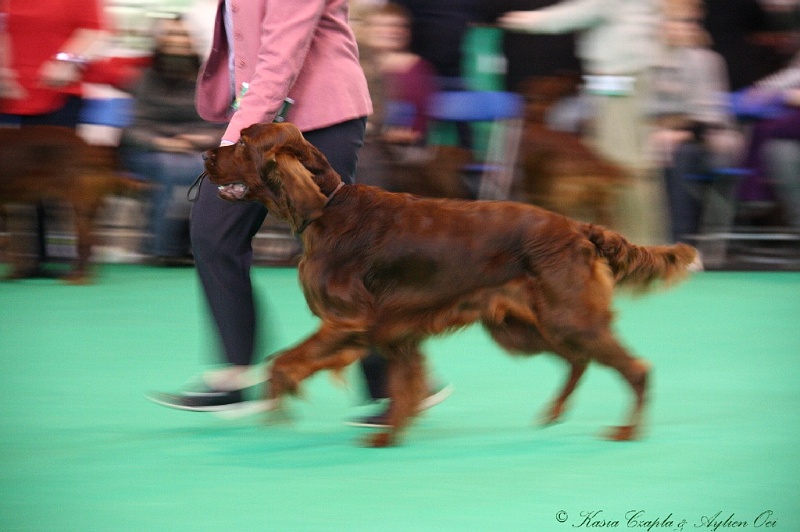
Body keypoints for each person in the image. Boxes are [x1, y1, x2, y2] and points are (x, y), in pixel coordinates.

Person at [146, 0, 372, 414]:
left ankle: (392, 379)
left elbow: (281, 55)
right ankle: (238, 374)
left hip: (320, 120)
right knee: (213, 231)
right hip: (262, 122)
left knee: (337, 252)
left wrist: (235, 141)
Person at [347, 3, 453, 427]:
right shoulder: (358, 57)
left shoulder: (360, 62)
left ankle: (402, 385)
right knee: (360, 288)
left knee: (361, 287)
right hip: (354, 173)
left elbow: (369, 121)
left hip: (362, 172)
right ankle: (401, 384)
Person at [497, 0, 667, 245]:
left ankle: (639, 245)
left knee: (619, 164)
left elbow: (589, 8)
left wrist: (529, 20)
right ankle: (617, 243)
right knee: (613, 161)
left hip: (620, 76)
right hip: (617, 76)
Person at [0, 0, 108, 276]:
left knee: (65, 186)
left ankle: (76, 257)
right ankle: (29, 259)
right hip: (12, 95)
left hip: (60, 92)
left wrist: (65, 62)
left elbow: (95, 32)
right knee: (15, 187)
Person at [119, 15, 224, 265]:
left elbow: (223, 126)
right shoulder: (143, 78)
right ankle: (164, 248)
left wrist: (198, 139)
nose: (176, 41)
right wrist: (162, 143)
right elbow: (132, 129)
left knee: (199, 168)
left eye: (181, 35)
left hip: (198, 148)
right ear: (158, 41)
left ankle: (192, 245)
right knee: (173, 167)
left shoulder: (208, 78)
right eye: (170, 35)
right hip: (148, 150)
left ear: (192, 42)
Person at [645, 0, 743, 246]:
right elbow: (633, 105)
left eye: (685, 22)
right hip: (653, 136)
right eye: (670, 20)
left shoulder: (707, 61)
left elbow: (711, 117)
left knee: (680, 153)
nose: (678, 27)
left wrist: (677, 133)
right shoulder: (644, 58)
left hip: (706, 142)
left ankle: (679, 245)